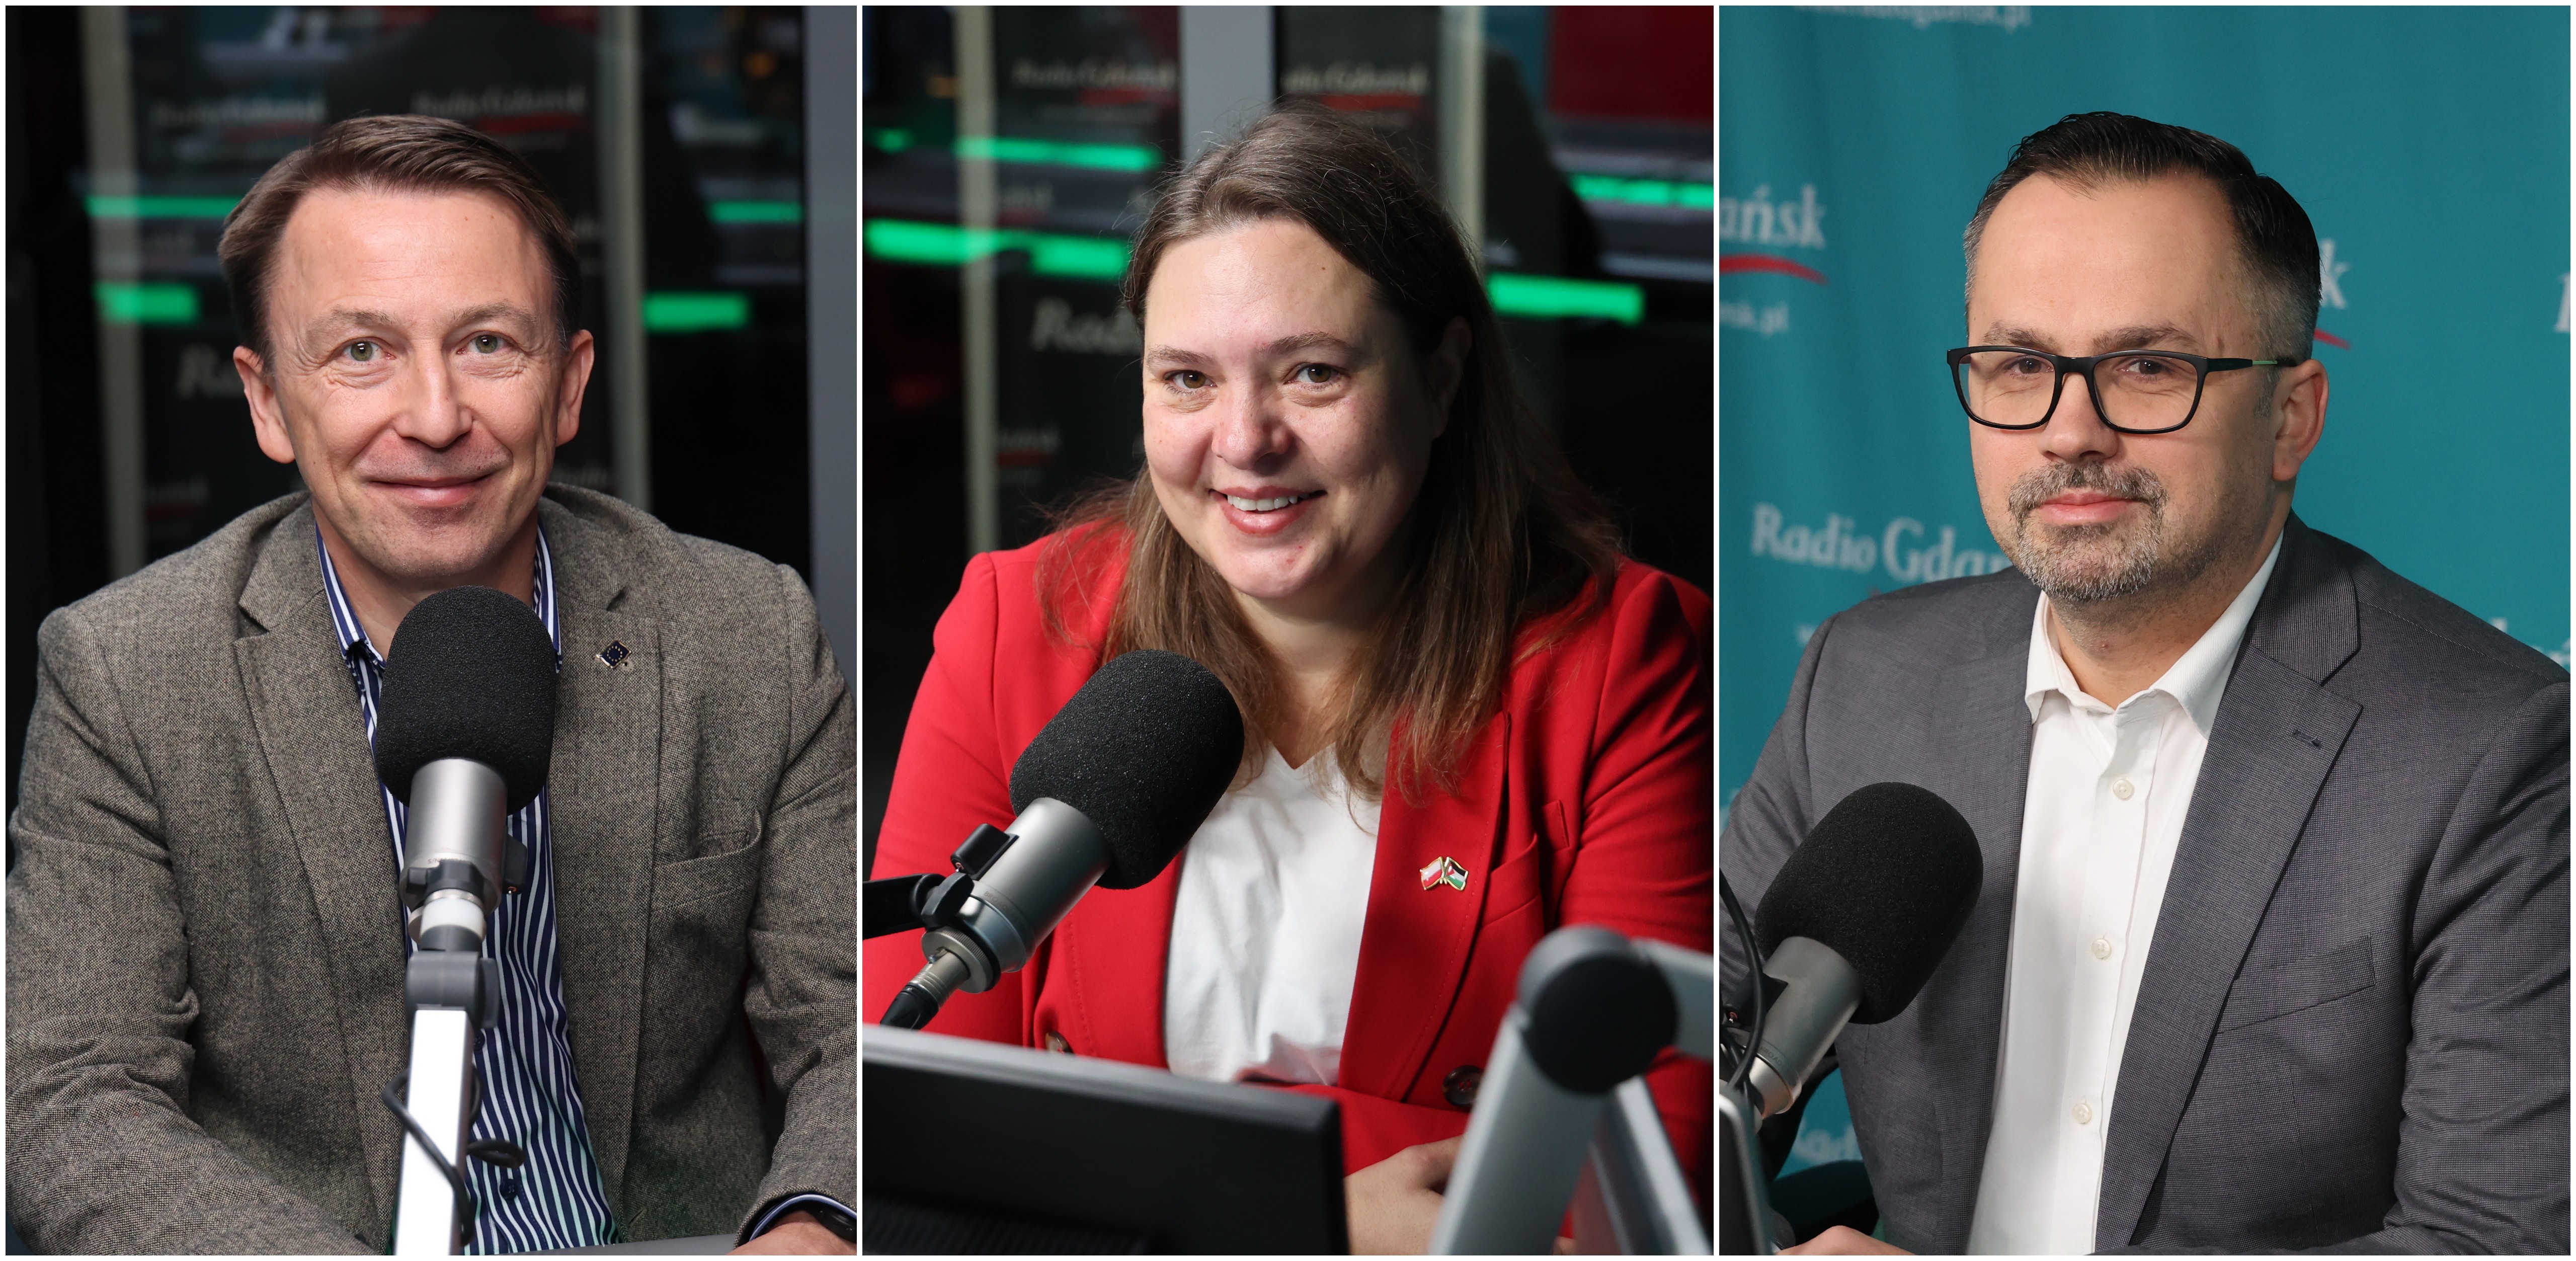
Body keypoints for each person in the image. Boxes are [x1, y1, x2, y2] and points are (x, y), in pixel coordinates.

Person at [863, 106, 1713, 1254]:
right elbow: (917, 1126)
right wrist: (1312, 1216)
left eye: (1311, 373)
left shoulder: (1623, 656)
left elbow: (1638, 1181)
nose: (1245, 439)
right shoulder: (1021, 623)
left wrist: (1105, 1169)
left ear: (1443, 375)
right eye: (1187, 379)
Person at [5, 116, 855, 1255]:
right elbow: (65, 1089)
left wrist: (814, 1219)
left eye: (489, 344)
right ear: (266, 400)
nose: (437, 416)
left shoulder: (744, 633)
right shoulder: (126, 674)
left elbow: (857, 1017)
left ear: (569, 383)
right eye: (361, 351)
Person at [1724, 112, 2569, 1255]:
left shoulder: (2493, 749)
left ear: (2290, 417)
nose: (2071, 430)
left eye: (2146, 366)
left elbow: (2492, 1236)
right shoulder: (1864, 680)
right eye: (2018, 365)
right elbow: (1690, 1064)